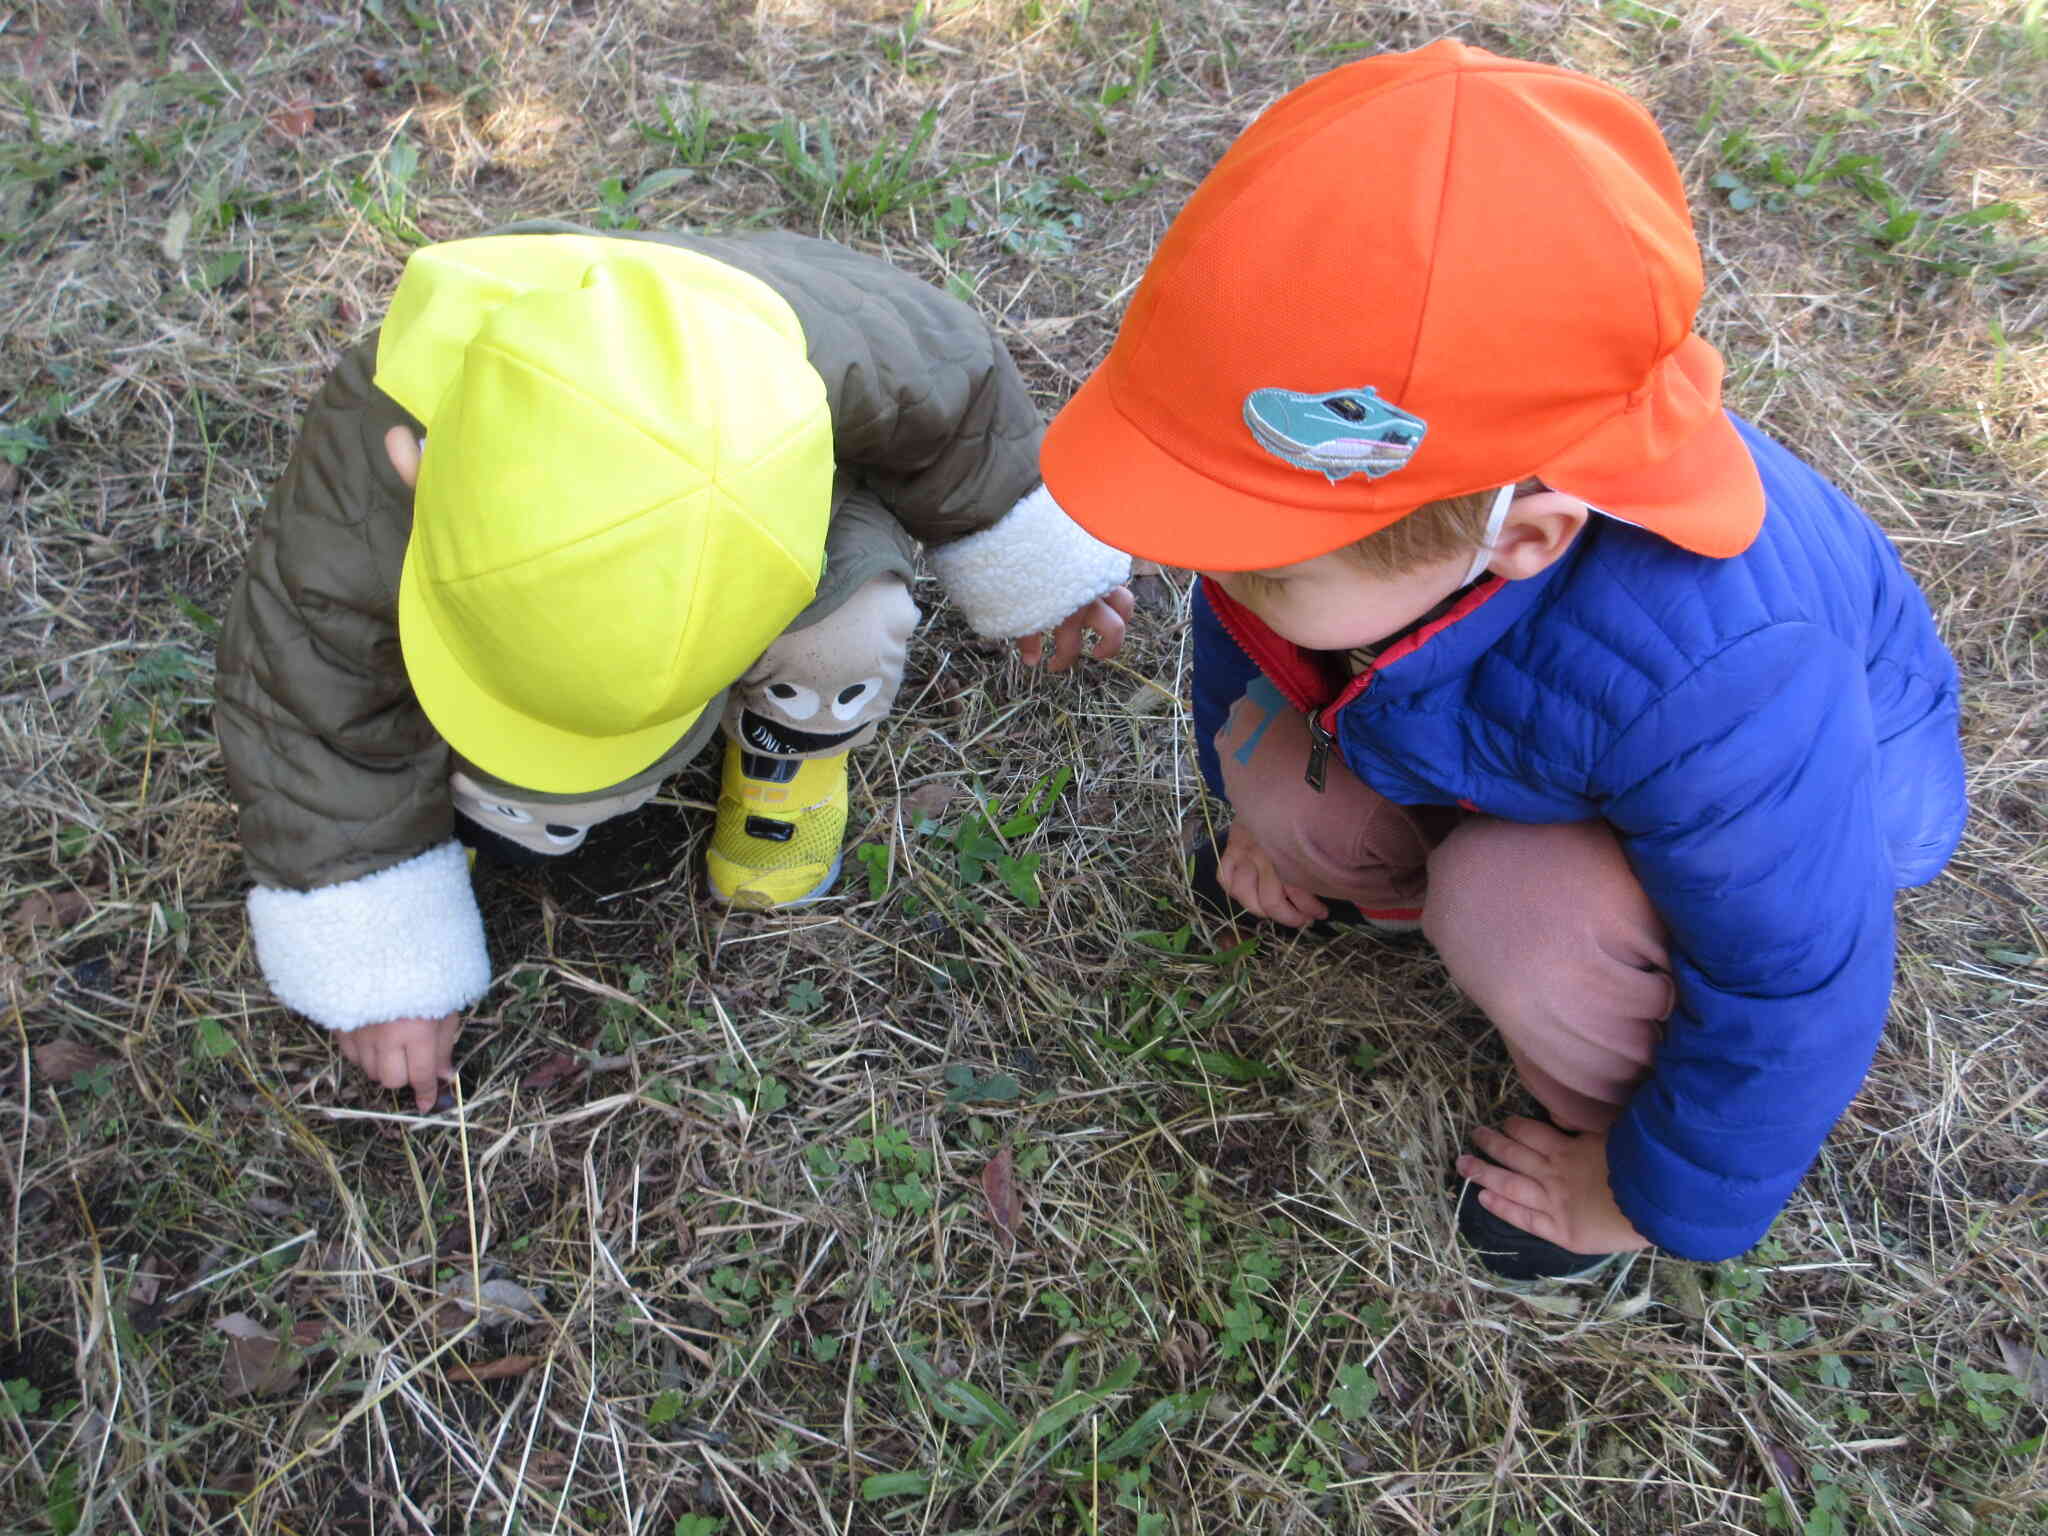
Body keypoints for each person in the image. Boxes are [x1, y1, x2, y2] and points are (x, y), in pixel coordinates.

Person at [1038, 40, 1965, 1277]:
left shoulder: (1726, 665)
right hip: (1490, 705)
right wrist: (1255, 814)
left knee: (1515, 908)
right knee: (1269, 763)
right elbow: (1249, 633)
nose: (1211, 575)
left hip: (1815, 805)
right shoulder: (1357, 551)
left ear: (1519, 538)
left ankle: (1597, 1097)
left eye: (1260, 553)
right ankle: (1383, 893)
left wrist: (1647, 1195)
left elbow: (1794, 978)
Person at [216, 224, 1133, 1112]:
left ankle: (792, 753)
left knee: (850, 629)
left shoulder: (825, 341)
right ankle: (524, 798)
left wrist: (1034, 562)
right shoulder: (369, 481)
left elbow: (955, 406)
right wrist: (382, 958)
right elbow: (311, 704)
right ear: (419, 473)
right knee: (547, 807)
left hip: (762, 516)